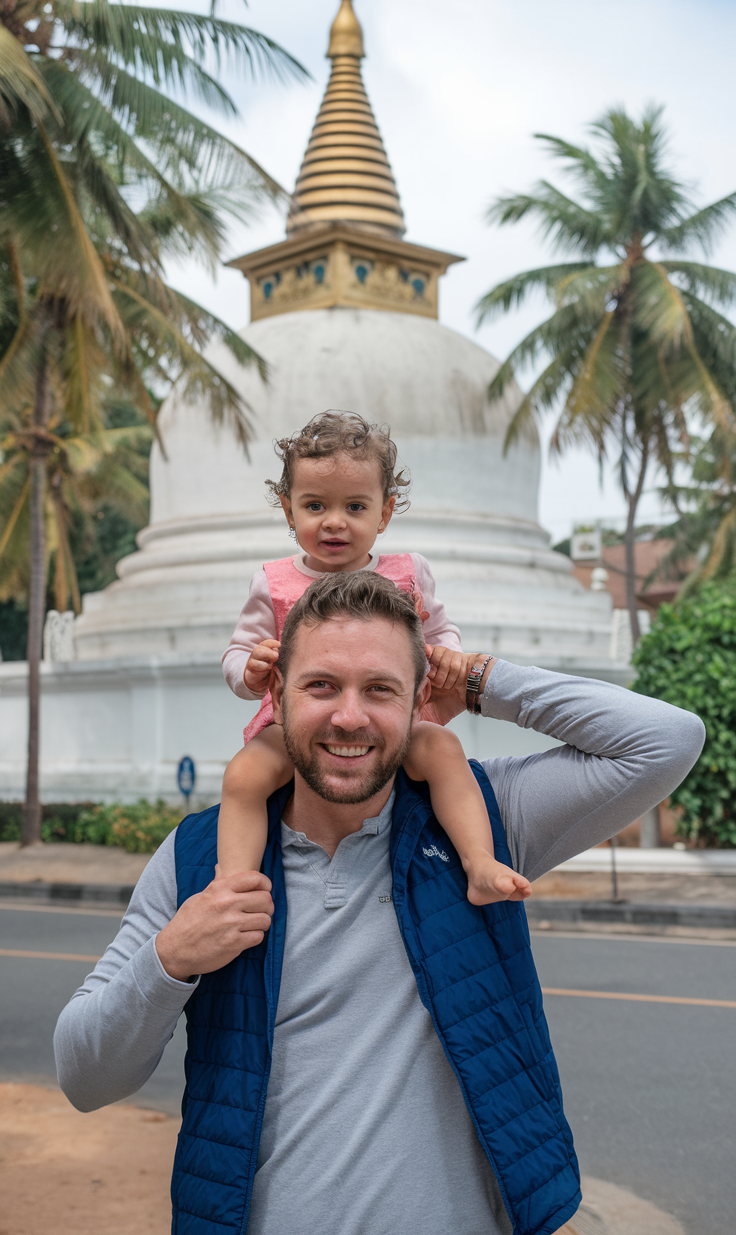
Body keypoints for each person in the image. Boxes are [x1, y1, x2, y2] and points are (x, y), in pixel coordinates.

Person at [55, 570, 705, 1235]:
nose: (349, 716)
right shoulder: (202, 860)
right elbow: (84, 1077)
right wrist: (170, 957)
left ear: (419, 697)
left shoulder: (482, 821)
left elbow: (667, 739)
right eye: (321, 686)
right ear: (276, 693)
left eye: (380, 689)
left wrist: (479, 680)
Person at [220, 409, 530, 905]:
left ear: (384, 513)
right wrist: (251, 669)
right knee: (244, 775)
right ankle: (233, 885)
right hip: (297, 723)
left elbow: (439, 630)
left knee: (446, 755)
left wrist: (447, 656)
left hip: (396, 717)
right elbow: (237, 653)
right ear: (288, 510)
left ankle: (479, 862)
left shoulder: (409, 573)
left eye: (356, 507)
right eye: (315, 505)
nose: (334, 522)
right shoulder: (274, 582)